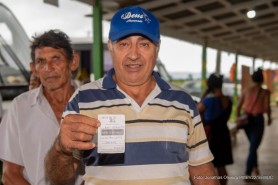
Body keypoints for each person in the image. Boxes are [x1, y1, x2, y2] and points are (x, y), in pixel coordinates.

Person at [45, 6, 219, 185]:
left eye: (144, 44)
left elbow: (202, 170)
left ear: (157, 48)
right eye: (124, 44)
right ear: (110, 47)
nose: (134, 55)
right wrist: (61, 148)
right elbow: (59, 178)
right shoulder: (83, 100)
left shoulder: (183, 102)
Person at [0, 29, 83, 185]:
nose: (48, 68)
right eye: (41, 62)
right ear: (33, 68)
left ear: (73, 62)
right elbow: (10, 174)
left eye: (56, 59)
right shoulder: (20, 108)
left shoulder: (93, 103)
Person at [198, 73, 233, 185]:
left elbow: (197, 111)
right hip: (224, 134)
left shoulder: (208, 101)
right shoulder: (228, 100)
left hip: (211, 136)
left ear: (210, 85)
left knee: (207, 166)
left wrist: (205, 94)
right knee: (221, 166)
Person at [236, 68, 272, 178]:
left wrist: (239, 119)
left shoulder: (246, 90)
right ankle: (247, 173)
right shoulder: (265, 92)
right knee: (253, 147)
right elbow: (267, 107)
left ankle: (255, 166)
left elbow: (238, 107)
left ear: (252, 79)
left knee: (253, 146)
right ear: (262, 80)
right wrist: (269, 117)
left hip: (246, 120)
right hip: (257, 120)